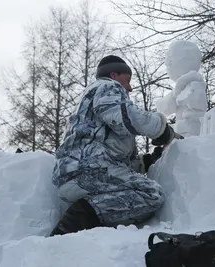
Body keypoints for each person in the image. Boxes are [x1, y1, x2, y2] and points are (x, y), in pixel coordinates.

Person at [49, 55, 182, 236]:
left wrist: (144, 162)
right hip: (87, 171)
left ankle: (80, 230)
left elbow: (110, 152)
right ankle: (73, 222)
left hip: (78, 173)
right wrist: (162, 129)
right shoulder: (107, 86)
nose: (129, 87)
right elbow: (126, 116)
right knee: (151, 194)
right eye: (127, 80)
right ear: (113, 75)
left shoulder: (92, 102)